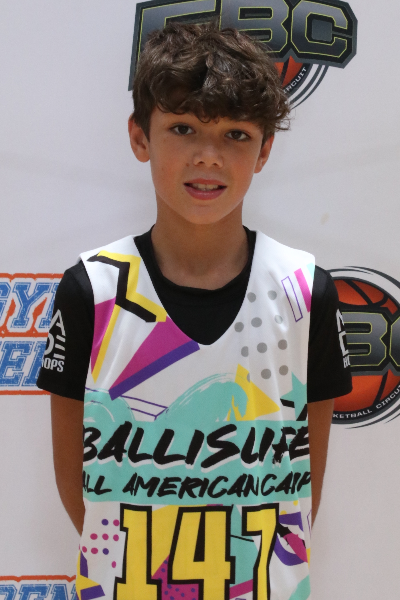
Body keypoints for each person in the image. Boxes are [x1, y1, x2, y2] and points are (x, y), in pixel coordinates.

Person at [37, 21, 352, 600]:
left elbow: (305, 487)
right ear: (140, 137)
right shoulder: (92, 291)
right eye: (182, 128)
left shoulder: (305, 292)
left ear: (264, 150)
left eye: (235, 134)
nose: (209, 156)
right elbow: (73, 479)